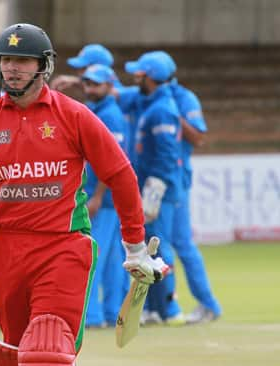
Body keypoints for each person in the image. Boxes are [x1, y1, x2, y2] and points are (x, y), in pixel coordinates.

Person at [0, 23, 169, 366]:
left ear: (43, 65)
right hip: (6, 251)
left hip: (62, 246)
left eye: (22, 60)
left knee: (46, 346)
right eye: (6, 59)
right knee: (15, 351)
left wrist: (135, 246)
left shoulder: (73, 115)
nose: (12, 67)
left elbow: (121, 174)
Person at [159, 51, 222, 324]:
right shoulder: (150, 96)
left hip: (175, 180)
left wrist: (174, 116)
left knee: (180, 244)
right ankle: (165, 306)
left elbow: (198, 138)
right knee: (167, 244)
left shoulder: (183, 99)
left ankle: (205, 304)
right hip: (160, 180)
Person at [124, 51, 185, 325]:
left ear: (149, 78)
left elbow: (167, 155)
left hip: (157, 190)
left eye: (139, 74)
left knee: (159, 248)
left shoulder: (161, 109)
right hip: (151, 186)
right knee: (151, 247)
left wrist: (153, 193)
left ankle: (170, 309)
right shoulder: (151, 102)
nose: (135, 78)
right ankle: (153, 308)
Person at [80, 64, 130, 328]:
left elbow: (111, 162)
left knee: (93, 257)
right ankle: (112, 313)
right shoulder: (101, 111)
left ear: (110, 86)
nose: (90, 89)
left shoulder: (110, 115)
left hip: (102, 199)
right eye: (87, 83)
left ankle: (93, 315)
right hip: (106, 198)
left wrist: (97, 196)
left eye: (95, 84)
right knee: (110, 260)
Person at [50, 43, 118, 99]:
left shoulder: (115, 96)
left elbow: (116, 94)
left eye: (83, 68)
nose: (79, 72)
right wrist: (76, 82)